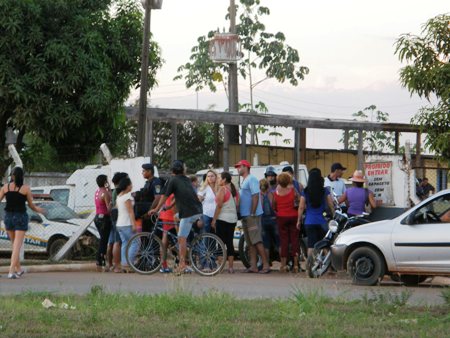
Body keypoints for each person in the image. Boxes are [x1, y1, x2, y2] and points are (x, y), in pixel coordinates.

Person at [150, 160, 203, 274]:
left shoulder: (172, 180)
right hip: (196, 210)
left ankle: (182, 264)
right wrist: (168, 208)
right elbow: (178, 197)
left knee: (181, 238)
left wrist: (156, 209)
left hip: (189, 213)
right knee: (175, 217)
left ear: (172, 170)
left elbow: (164, 196)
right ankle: (181, 235)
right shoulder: (186, 179)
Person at [0, 167, 45, 279]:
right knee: (17, 246)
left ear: (13, 176)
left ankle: (18, 269)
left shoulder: (5, 187)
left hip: (8, 217)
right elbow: (31, 205)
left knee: (14, 244)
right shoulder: (25, 189)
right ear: (22, 176)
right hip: (20, 217)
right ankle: (11, 271)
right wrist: (39, 210)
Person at [235, 159, 270, 274]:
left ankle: (265, 265)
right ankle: (253, 266)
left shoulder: (252, 179)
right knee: (250, 243)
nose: (238, 169)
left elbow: (255, 196)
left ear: (246, 167)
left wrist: (253, 212)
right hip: (246, 215)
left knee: (256, 241)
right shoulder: (245, 180)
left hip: (251, 216)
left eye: (239, 166)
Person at [297, 168, 335, 256]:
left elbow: (301, 207)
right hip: (322, 222)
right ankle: (328, 267)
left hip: (309, 222)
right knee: (324, 245)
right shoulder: (324, 190)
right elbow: (331, 205)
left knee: (311, 246)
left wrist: (298, 220)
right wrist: (333, 215)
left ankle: (309, 266)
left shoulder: (305, 191)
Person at [211, 172, 239, 273]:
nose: (218, 180)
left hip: (223, 219)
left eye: (219, 178)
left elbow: (219, 206)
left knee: (220, 242)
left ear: (224, 180)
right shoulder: (231, 190)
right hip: (232, 219)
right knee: (229, 242)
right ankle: (231, 267)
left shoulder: (222, 190)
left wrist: (214, 219)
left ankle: (220, 266)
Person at [273, 173, 300, 273]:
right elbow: (298, 201)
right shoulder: (293, 191)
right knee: (294, 240)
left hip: (281, 217)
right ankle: (296, 265)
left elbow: (274, 206)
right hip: (293, 216)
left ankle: (283, 265)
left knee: (283, 241)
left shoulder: (276, 192)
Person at [106, 172, 128, 273]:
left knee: (113, 241)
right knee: (117, 242)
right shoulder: (119, 190)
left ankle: (112, 264)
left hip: (114, 217)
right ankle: (117, 266)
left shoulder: (115, 191)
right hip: (119, 217)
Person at [116, 177, 138, 272]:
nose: (132, 186)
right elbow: (130, 212)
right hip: (127, 223)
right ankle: (129, 264)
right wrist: (134, 224)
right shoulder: (127, 197)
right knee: (135, 242)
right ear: (127, 186)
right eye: (131, 184)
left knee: (125, 243)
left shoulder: (119, 196)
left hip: (119, 224)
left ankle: (125, 265)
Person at [134, 163, 162, 233]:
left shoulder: (156, 182)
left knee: (152, 235)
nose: (142, 173)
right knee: (145, 234)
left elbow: (158, 197)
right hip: (146, 214)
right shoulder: (147, 182)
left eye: (144, 171)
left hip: (152, 214)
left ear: (149, 171)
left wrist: (149, 211)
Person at [93, 174, 112, 271]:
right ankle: (100, 260)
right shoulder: (105, 193)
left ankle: (100, 260)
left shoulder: (97, 192)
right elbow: (109, 208)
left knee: (102, 240)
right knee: (104, 241)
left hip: (97, 217)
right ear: (105, 182)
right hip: (104, 218)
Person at [259, 178, 279, 267]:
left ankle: (266, 264)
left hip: (263, 221)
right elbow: (274, 206)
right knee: (279, 243)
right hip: (274, 220)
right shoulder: (271, 194)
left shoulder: (259, 195)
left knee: (266, 244)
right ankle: (283, 264)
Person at [158, 191, 178, 273]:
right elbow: (173, 206)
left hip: (165, 215)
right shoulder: (174, 191)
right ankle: (165, 265)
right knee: (167, 241)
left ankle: (164, 265)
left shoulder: (166, 189)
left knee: (165, 241)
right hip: (171, 217)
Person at [197, 170, 218, 234]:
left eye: (212, 176)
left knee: (215, 235)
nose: (210, 178)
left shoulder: (219, 187)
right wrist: (200, 198)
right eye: (208, 176)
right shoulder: (204, 187)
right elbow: (198, 199)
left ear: (216, 177)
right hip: (206, 214)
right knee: (206, 235)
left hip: (217, 215)